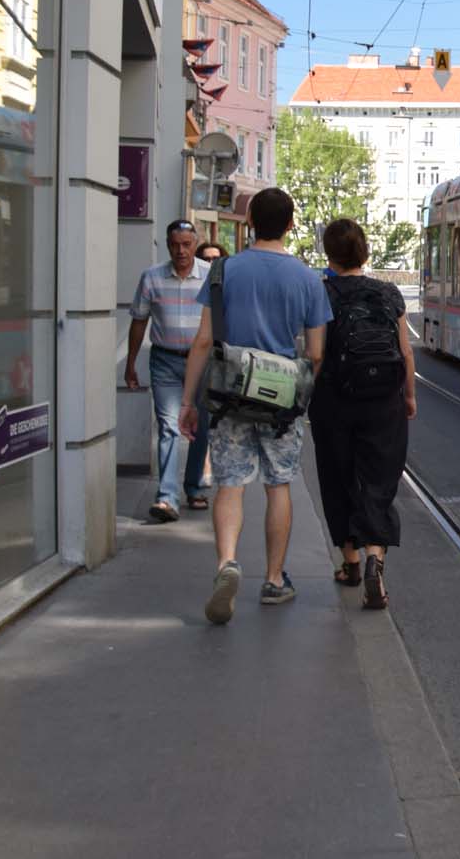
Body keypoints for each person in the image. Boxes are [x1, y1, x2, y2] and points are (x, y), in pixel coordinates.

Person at [179, 188, 332, 625]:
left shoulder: (224, 269)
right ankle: (273, 580)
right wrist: (296, 391)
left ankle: (227, 562)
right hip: (281, 397)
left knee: (229, 483)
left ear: (248, 223)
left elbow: (204, 340)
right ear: (290, 224)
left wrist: (189, 401)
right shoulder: (306, 278)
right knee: (278, 484)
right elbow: (317, 353)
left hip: (229, 393)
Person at [309, 219, 415, 611]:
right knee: (379, 479)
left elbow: (316, 353)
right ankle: (376, 556)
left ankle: (350, 563)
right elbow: (405, 353)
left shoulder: (322, 293)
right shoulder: (388, 293)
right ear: (365, 252)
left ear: (329, 253)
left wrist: (305, 396)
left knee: (338, 477)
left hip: (334, 399)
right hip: (384, 399)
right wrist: (409, 397)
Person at [125, 220, 210, 521]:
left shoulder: (210, 277)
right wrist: (130, 362)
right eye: (175, 244)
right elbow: (139, 321)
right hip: (164, 361)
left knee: (200, 426)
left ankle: (194, 485)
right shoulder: (151, 278)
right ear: (167, 243)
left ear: (195, 243)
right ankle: (167, 498)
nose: (181, 251)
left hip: (202, 362)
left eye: (186, 244)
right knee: (170, 425)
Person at [183, 240, 228, 499]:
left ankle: (196, 480)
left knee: (205, 421)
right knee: (170, 427)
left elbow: (209, 335)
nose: (211, 264)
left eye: (216, 259)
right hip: (170, 357)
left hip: (209, 358)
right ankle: (168, 495)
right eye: (207, 259)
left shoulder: (220, 284)